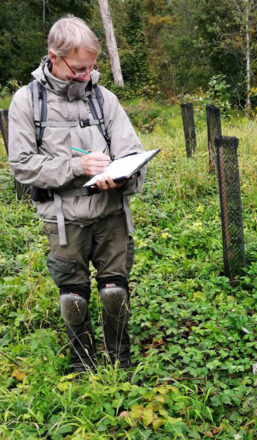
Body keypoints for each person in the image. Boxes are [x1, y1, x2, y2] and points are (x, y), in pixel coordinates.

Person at [8, 16, 146, 372]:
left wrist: (121, 177)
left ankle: (120, 360)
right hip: (63, 219)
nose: (88, 75)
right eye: (80, 68)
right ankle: (83, 362)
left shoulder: (105, 100)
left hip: (111, 214)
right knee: (73, 296)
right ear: (54, 56)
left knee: (115, 292)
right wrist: (76, 168)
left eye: (92, 67)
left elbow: (133, 154)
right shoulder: (26, 103)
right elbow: (22, 165)